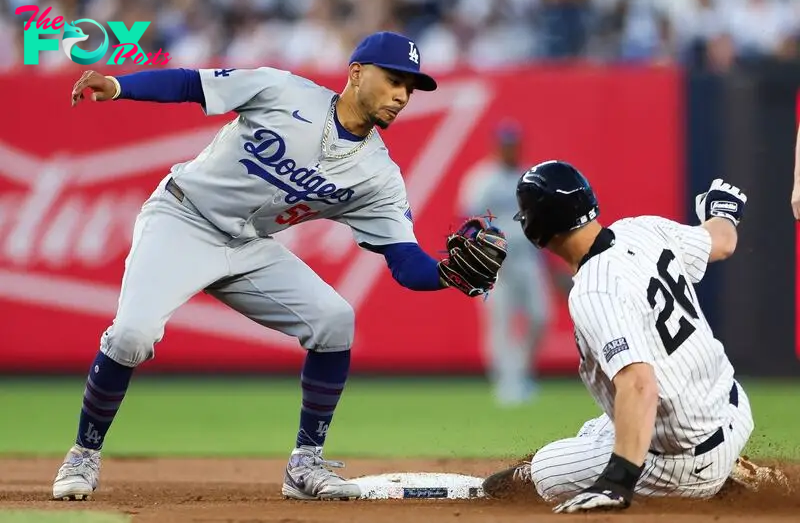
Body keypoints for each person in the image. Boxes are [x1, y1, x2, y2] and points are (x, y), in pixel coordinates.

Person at [53, 31, 506, 502]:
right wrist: (119, 85)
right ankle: (83, 453)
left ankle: (305, 464)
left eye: (410, 89)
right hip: (182, 218)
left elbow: (404, 261)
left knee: (334, 320)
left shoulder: (378, 175)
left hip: (249, 245)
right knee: (132, 334)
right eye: (394, 80)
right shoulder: (283, 91)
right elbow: (192, 84)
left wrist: (445, 274)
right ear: (356, 73)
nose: (401, 96)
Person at [481, 160, 786, 512]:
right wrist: (723, 212)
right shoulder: (643, 229)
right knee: (596, 429)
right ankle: (731, 468)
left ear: (536, 230)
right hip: (732, 410)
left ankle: (712, 481)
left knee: (546, 469)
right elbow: (722, 243)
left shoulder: (593, 291)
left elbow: (639, 384)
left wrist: (618, 481)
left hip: (683, 463)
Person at [458, 122, 554, 406]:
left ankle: (522, 374)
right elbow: (469, 220)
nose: (509, 149)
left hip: (527, 257)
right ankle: (506, 382)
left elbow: (542, 220)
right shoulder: (482, 178)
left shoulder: (530, 177)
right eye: (505, 143)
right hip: (493, 260)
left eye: (513, 143)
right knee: (500, 322)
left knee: (541, 316)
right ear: (497, 146)